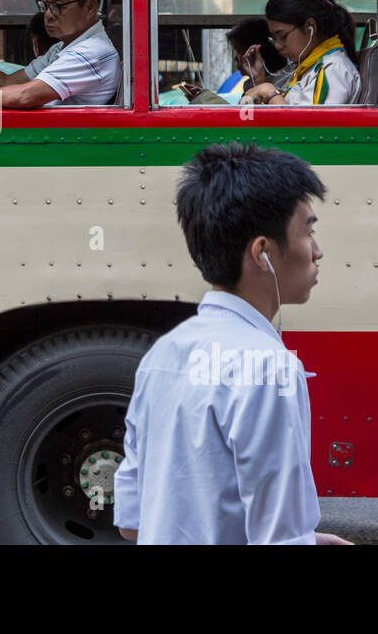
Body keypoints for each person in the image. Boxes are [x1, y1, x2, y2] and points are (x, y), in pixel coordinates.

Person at [113, 142, 350, 545]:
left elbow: (131, 523)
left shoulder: (163, 355)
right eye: (308, 231)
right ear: (263, 253)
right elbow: (281, 539)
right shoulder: (270, 368)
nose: (318, 250)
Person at [243, 0, 361, 106]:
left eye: (283, 36)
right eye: (274, 39)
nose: (278, 46)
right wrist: (259, 79)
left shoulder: (333, 70)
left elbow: (311, 124)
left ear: (310, 27)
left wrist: (268, 92)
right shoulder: (301, 69)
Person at [178, 18, 292, 103]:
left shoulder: (282, 85)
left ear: (254, 52)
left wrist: (259, 81)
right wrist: (203, 97)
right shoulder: (251, 85)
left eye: (238, 50)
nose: (235, 58)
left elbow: (255, 123)